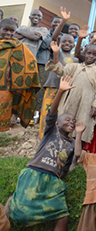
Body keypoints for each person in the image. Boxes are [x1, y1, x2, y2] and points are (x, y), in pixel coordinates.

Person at [5, 76, 76, 230]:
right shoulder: (51, 131)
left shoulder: (72, 143)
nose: (72, 122)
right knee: (17, 205)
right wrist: (61, 91)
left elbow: (66, 166)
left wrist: (59, 178)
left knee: (63, 215)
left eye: (74, 121)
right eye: (68, 119)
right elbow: (52, 111)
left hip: (53, 181)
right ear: (57, 123)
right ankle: (6, 217)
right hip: (34, 173)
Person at [46, 38, 96, 145]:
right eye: (89, 53)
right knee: (65, 125)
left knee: (82, 127)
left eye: (95, 54)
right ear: (84, 54)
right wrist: (55, 54)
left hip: (86, 104)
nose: (91, 56)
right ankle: (59, 153)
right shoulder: (73, 66)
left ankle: (74, 157)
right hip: (70, 101)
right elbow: (60, 70)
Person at [39, 9, 76, 136]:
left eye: (70, 42)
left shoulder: (75, 58)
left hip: (66, 91)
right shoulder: (56, 51)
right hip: (53, 86)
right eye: (64, 41)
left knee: (61, 114)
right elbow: (54, 36)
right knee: (47, 112)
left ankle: (57, 136)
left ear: (74, 44)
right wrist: (64, 21)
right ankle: (44, 135)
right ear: (59, 43)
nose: (66, 43)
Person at [0, 18, 41, 131]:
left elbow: (31, 62)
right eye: (5, 30)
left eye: (12, 31)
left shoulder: (20, 46)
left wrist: (28, 79)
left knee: (3, 108)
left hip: (7, 87)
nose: (8, 33)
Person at [14, 9, 49, 122]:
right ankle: (13, 115)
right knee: (15, 88)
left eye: (38, 15)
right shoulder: (23, 26)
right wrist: (30, 34)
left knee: (26, 89)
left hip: (30, 62)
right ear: (29, 17)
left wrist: (23, 34)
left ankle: (23, 116)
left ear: (41, 19)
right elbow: (14, 37)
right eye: (33, 15)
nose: (36, 17)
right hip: (17, 60)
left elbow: (35, 38)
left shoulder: (43, 29)